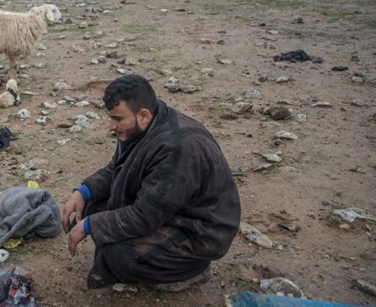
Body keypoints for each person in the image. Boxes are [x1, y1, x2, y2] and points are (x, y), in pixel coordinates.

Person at [61, 75, 241, 291]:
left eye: (117, 119)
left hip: (198, 230)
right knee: (91, 205)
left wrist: (92, 225)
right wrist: (83, 191)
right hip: (167, 207)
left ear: (144, 115)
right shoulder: (141, 128)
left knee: (118, 255)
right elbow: (117, 168)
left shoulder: (176, 147)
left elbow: (144, 216)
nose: (111, 126)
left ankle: (192, 269)